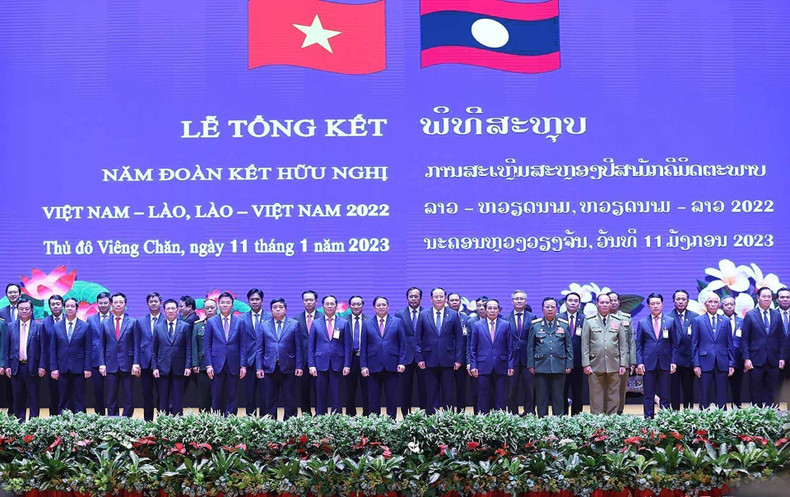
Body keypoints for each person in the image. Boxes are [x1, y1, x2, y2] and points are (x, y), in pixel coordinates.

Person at [415, 287, 464, 414]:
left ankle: (448, 421)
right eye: (436, 297)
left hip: (448, 360)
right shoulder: (423, 314)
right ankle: (432, 422)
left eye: (441, 296)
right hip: (428, 359)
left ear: (445, 299)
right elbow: (417, 339)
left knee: (448, 393)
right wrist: (419, 358)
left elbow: (459, 339)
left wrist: (458, 359)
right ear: (431, 298)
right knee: (431, 393)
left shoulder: (453, 314)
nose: (439, 299)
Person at [255, 297, 303, 420]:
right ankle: (270, 424)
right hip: (269, 367)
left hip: (289, 366)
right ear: (271, 310)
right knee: (269, 399)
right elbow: (259, 348)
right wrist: (259, 367)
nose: (277, 309)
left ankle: (290, 424)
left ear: (286, 309)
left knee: (290, 398)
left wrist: (299, 366)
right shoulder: (264, 325)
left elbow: (299, 347)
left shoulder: (294, 324)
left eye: (280, 307)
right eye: (274, 307)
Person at [360, 296, 406, 418]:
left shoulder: (397, 321)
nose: (381, 307)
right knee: (373, 398)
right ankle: (375, 424)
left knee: (392, 398)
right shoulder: (367, 323)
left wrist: (401, 362)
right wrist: (363, 366)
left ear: (388, 306)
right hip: (373, 366)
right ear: (374, 308)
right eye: (378, 305)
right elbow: (363, 346)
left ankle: (391, 423)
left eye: (383, 305)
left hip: (392, 365)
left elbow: (402, 344)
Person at [581, 293, 627, 414]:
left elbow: (623, 345)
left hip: (614, 363)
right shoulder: (589, 321)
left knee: (614, 395)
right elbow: (585, 344)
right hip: (595, 363)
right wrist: (586, 364)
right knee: (596, 396)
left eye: (607, 302)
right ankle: (597, 424)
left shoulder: (618, 321)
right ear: (597, 304)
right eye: (602, 302)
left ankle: (611, 421)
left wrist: (623, 364)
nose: (605, 305)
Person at [527, 297, 572, 417]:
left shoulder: (564, 325)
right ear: (542, 309)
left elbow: (569, 346)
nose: (550, 309)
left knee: (558, 397)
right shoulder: (535, 325)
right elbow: (530, 347)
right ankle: (543, 422)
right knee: (541, 398)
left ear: (557, 309)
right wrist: (531, 364)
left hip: (559, 365)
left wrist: (569, 364)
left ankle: (559, 422)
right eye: (547, 307)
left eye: (553, 307)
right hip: (541, 366)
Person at [741, 287, 786, 406]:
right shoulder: (750, 315)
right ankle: (757, 415)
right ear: (758, 298)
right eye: (764, 296)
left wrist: (781, 357)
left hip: (773, 359)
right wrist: (746, 358)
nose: (767, 299)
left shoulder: (776, 315)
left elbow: (781, 339)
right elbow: (745, 339)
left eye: (769, 297)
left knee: (772, 390)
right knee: (756, 390)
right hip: (755, 359)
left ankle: (771, 414)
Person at [205, 292, 248, 416]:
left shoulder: (240, 322)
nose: (225, 305)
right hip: (216, 364)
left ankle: (230, 422)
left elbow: (243, 345)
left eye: (228, 302)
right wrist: (208, 365)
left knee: (232, 395)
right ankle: (217, 421)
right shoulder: (212, 322)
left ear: (232, 305)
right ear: (218, 304)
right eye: (222, 302)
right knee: (217, 395)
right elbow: (207, 346)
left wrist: (243, 365)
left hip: (234, 363)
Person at [635, 293, 677, 418]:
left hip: (665, 362)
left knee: (665, 394)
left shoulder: (670, 321)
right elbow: (639, 346)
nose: (655, 306)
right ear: (648, 306)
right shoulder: (642, 323)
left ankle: (665, 419)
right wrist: (640, 362)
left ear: (662, 304)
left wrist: (673, 361)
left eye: (658, 303)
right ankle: (648, 419)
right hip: (648, 363)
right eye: (652, 303)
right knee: (648, 394)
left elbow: (674, 344)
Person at [308, 295, 351, 414]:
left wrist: (347, 365)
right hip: (320, 363)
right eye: (327, 304)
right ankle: (320, 419)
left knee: (337, 395)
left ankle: (336, 420)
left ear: (336, 306)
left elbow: (347, 346)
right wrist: (311, 365)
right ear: (322, 306)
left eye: (332, 304)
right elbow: (311, 346)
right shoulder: (316, 323)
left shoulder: (344, 323)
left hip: (338, 364)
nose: (330, 306)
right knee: (320, 394)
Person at [99, 292, 140, 417]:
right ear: (111, 305)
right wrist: (101, 363)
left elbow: (136, 345)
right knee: (111, 396)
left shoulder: (133, 322)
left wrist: (136, 363)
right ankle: (112, 420)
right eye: (115, 302)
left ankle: (127, 420)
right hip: (110, 363)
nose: (118, 305)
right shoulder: (105, 323)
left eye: (121, 302)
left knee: (128, 395)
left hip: (128, 364)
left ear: (125, 304)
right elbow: (101, 345)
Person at [469, 299, 513, 413]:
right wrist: (473, 365)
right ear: (485, 309)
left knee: (501, 397)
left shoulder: (506, 325)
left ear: (498, 310)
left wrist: (510, 365)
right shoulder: (477, 325)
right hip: (482, 366)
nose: (492, 311)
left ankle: (500, 422)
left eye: (495, 308)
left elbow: (510, 348)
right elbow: (473, 348)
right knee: (483, 397)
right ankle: (483, 422)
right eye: (489, 308)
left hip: (501, 366)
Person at [4, 298, 44, 421]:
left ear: (32, 310)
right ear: (17, 310)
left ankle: (33, 425)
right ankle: (19, 424)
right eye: (21, 309)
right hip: (16, 367)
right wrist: (7, 366)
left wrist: (42, 366)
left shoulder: (39, 326)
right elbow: (7, 349)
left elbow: (43, 348)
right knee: (18, 399)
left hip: (32, 367)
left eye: (27, 309)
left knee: (33, 398)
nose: (24, 311)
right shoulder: (10, 326)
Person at [49, 297, 92, 414]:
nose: (69, 308)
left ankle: (80, 425)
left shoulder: (85, 326)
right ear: (64, 308)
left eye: (72, 306)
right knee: (63, 399)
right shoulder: (57, 326)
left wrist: (87, 368)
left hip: (79, 368)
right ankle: (62, 425)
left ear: (77, 308)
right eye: (67, 306)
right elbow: (53, 349)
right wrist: (54, 368)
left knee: (79, 399)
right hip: (62, 369)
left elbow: (88, 349)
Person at [691, 293, 733, 409]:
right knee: (704, 394)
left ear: (719, 305)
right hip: (704, 362)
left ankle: (722, 419)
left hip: (722, 361)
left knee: (722, 394)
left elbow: (729, 344)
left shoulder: (725, 321)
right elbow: (694, 344)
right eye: (710, 301)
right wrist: (696, 364)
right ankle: (703, 420)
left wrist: (731, 363)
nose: (713, 304)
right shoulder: (698, 320)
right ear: (705, 304)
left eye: (715, 302)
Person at [395, 287, 426, 416]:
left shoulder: (427, 313)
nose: (413, 299)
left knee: (424, 388)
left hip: (423, 356)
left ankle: (425, 415)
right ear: (407, 298)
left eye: (416, 296)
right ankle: (405, 416)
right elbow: (397, 337)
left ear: (420, 298)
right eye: (411, 296)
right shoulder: (399, 314)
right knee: (405, 389)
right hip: (405, 357)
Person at [505, 290, 536, 415]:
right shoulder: (505, 318)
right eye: (516, 299)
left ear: (525, 301)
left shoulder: (532, 317)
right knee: (512, 390)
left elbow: (534, 339)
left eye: (521, 299)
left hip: (527, 359)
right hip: (511, 360)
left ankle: (529, 413)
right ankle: (513, 415)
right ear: (512, 301)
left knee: (529, 390)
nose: (519, 301)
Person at [135, 292, 164, 421]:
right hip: (145, 363)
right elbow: (136, 344)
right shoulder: (140, 321)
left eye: (156, 301)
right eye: (151, 301)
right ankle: (147, 422)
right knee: (147, 394)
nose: (153, 303)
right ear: (147, 304)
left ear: (160, 303)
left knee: (162, 394)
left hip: (162, 363)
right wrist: (136, 363)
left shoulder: (167, 320)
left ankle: (161, 422)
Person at [242, 288, 271, 416]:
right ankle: (250, 421)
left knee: (266, 393)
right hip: (248, 361)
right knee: (249, 393)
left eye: (257, 299)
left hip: (265, 360)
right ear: (248, 301)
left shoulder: (270, 317)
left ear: (262, 301)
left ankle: (265, 421)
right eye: (252, 299)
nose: (255, 302)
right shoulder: (242, 318)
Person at [669, 290, 699, 410]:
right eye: (678, 299)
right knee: (674, 390)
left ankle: (689, 414)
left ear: (688, 301)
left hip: (689, 360)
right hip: (673, 361)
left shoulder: (695, 317)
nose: (680, 302)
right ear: (673, 301)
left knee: (689, 389)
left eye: (683, 299)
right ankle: (674, 414)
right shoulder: (668, 317)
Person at [609, 292, 636, 414]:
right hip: (607, 359)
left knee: (621, 389)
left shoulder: (626, 318)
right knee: (608, 389)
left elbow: (631, 341)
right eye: (610, 300)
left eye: (615, 300)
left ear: (619, 302)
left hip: (623, 360)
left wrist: (632, 362)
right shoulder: (600, 318)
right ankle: (607, 413)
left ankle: (619, 413)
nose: (613, 302)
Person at [559, 291, 585, 415]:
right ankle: (563, 417)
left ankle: (576, 418)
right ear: (565, 302)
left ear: (579, 304)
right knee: (562, 391)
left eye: (576, 301)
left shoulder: (585, 319)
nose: (573, 303)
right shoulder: (558, 318)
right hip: (562, 361)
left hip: (579, 361)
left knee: (577, 391)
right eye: (570, 300)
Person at [294, 290, 319, 415]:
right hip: (302, 361)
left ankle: (320, 418)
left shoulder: (323, 317)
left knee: (319, 391)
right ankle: (306, 417)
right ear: (302, 301)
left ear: (316, 301)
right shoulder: (296, 319)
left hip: (319, 360)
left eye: (311, 300)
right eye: (306, 300)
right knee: (303, 391)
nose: (308, 302)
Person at [190, 298, 216, 412]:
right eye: (207, 308)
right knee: (204, 397)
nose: (209, 310)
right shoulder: (198, 325)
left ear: (217, 309)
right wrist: (195, 363)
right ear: (203, 310)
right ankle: (204, 423)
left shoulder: (224, 324)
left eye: (212, 307)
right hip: (203, 365)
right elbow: (194, 345)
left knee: (218, 397)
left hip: (219, 364)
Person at [88, 292, 111, 415]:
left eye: (106, 303)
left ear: (110, 304)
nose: (103, 305)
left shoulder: (116, 318)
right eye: (101, 303)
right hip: (96, 360)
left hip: (113, 360)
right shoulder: (90, 319)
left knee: (113, 392)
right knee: (98, 390)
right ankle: (100, 417)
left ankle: (114, 416)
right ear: (97, 304)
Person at [345, 295, 369, 416]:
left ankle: (367, 416)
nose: (356, 306)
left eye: (359, 304)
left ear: (363, 306)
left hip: (366, 359)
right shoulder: (343, 321)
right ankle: (350, 417)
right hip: (350, 359)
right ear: (349, 306)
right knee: (349, 390)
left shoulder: (369, 320)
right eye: (353, 304)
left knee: (367, 390)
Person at [40, 294, 64, 415]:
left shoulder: (70, 320)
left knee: (67, 394)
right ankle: (54, 419)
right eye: (52, 304)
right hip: (51, 364)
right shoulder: (43, 323)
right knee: (53, 393)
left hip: (68, 363)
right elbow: (43, 346)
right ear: (49, 306)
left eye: (57, 304)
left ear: (62, 305)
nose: (55, 306)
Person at [447, 292, 471, 412]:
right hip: (447, 358)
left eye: (457, 300)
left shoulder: (466, 318)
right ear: (447, 302)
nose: (455, 302)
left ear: (460, 303)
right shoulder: (444, 317)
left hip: (462, 359)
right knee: (448, 390)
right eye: (452, 300)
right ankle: (449, 414)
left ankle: (461, 414)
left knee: (461, 389)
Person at [721, 296, 745, 407]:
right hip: (722, 360)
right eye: (726, 304)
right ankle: (722, 411)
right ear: (722, 306)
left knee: (737, 388)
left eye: (732, 304)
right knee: (722, 389)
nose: (729, 306)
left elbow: (745, 342)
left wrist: (745, 359)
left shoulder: (742, 321)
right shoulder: (718, 320)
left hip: (738, 360)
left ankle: (737, 409)